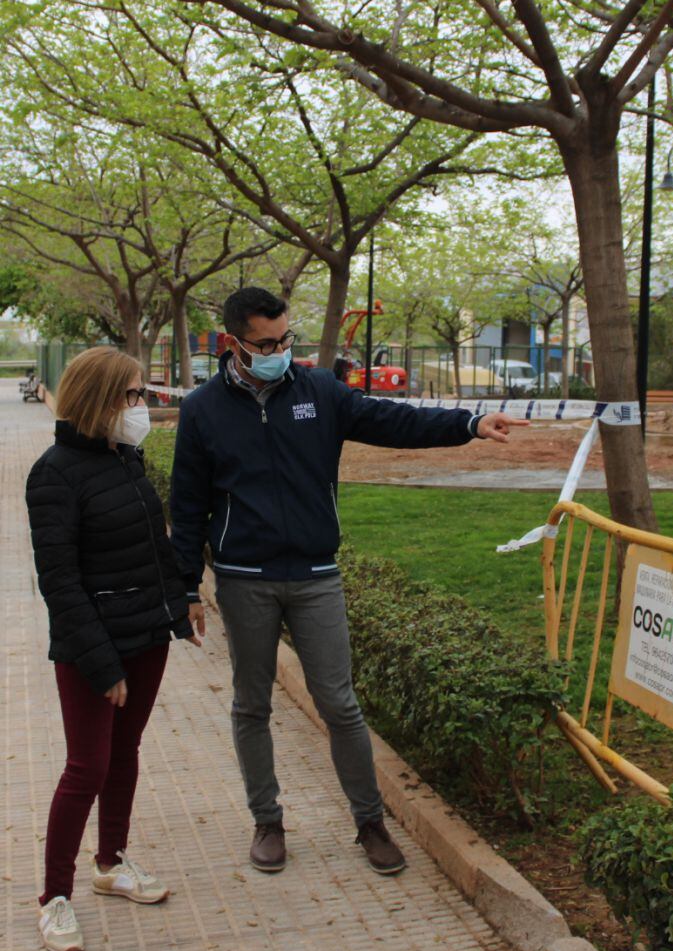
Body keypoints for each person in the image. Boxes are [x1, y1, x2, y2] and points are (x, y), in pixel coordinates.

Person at [169, 287, 527, 876]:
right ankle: (268, 820)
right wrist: (185, 587)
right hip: (244, 579)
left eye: (285, 339)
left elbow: (393, 420)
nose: (279, 350)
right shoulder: (203, 409)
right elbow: (186, 507)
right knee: (250, 705)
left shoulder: (318, 391)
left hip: (315, 577)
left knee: (340, 704)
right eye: (265, 343)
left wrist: (469, 422)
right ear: (233, 342)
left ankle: (370, 823)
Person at [25, 346, 201, 951]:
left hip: (146, 637)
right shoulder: (53, 474)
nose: (142, 406)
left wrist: (181, 606)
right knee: (87, 767)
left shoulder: (124, 458)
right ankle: (54, 898)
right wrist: (101, 665)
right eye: (131, 395)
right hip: (91, 648)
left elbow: (156, 547)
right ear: (100, 399)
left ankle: (111, 862)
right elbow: (59, 583)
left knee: (124, 752)